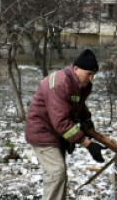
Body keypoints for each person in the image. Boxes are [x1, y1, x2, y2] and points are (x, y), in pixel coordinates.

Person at [25, 49, 107, 200]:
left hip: (56, 133)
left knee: (58, 177)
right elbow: (61, 122)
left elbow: (78, 105)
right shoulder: (60, 83)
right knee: (56, 173)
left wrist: (87, 122)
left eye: (93, 74)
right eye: (88, 73)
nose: (91, 78)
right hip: (42, 132)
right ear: (75, 68)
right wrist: (87, 143)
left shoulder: (79, 84)